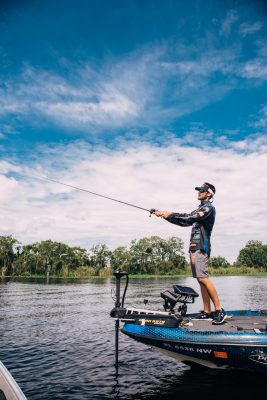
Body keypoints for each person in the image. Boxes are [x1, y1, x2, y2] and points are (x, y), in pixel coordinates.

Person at [153, 182, 226, 325]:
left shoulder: (208, 208)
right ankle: (207, 311)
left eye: (202, 190)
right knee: (200, 279)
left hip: (202, 247)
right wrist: (165, 215)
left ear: (209, 194)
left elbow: (190, 217)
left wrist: (170, 214)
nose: (199, 192)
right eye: (199, 190)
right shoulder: (200, 208)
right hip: (193, 247)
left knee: (203, 278)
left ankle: (219, 310)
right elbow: (185, 221)